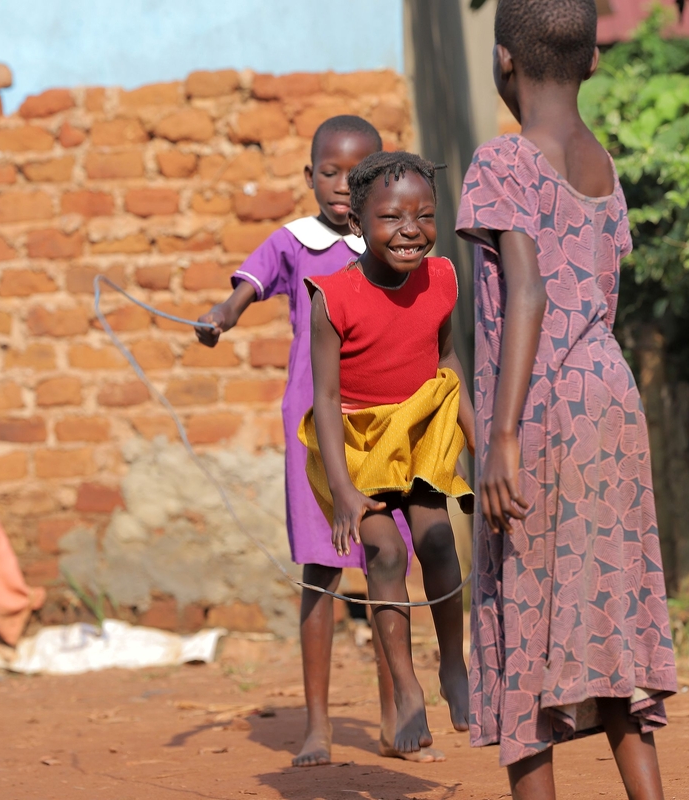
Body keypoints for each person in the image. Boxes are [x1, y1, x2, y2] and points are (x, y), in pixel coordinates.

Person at [455, 2, 678, 799]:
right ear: (592, 62)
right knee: (610, 610)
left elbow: (526, 296)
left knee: (525, 613)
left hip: (542, 405)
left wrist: (502, 434)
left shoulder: (503, 163)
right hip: (610, 401)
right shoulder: (602, 165)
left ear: (504, 61)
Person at [195, 117, 435, 766]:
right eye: (328, 172)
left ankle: (397, 717)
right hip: (316, 431)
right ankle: (318, 727)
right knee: (322, 573)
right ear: (310, 177)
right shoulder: (296, 243)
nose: (339, 186)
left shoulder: (391, 247)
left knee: (391, 569)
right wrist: (222, 315)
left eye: (354, 176)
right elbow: (246, 287)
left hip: (383, 431)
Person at [300, 151, 474, 755]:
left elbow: (447, 360)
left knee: (437, 540)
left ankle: (454, 666)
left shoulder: (444, 278)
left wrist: (476, 437)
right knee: (386, 551)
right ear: (356, 224)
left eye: (424, 216)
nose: (410, 230)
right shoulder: (333, 297)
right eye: (391, 218)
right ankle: (406, 688)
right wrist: (345, 490)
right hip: (356, 442)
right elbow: (322, 396)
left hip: (419, 430)